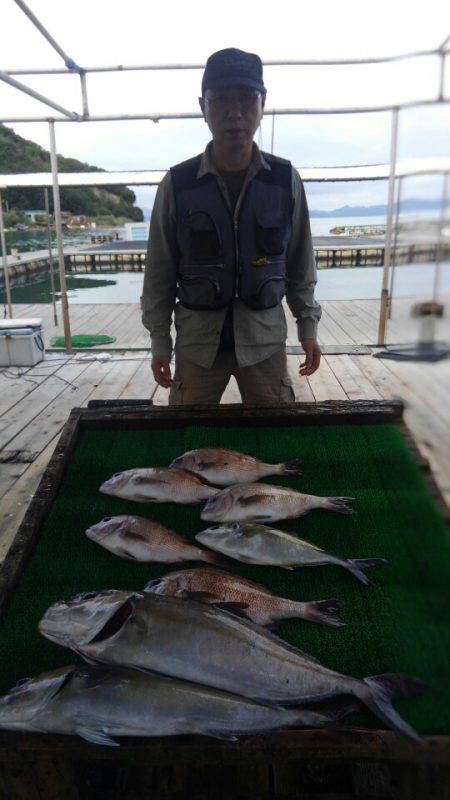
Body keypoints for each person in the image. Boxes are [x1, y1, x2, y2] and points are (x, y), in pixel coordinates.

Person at [142, 47, 322, 405]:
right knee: (185, 432)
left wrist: (308, 326)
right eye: (222, 98)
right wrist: (160, 341)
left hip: (264, 343)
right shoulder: (177, 184)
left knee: (278, 431)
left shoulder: (285, 179)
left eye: (246, 97)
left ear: (262, 103)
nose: (235, 112)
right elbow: (159, 272)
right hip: (198, 346)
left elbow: (301, 262)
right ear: (203, 107)